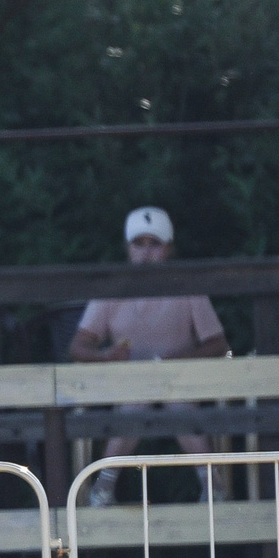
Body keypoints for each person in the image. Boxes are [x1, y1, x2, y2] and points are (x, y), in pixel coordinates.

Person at [69, 206, 231, 507]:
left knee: (177, 401)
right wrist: (107, 356)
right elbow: (78, 346)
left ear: (168, 249)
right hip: (128, 384)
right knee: (136, 398)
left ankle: (211, 484)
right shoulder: (111, 289)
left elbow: (217, 343)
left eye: (154, 244)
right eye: (138, 244)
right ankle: (104, 486)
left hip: (180, 382)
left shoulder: (187, 287)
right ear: (127, 248)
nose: (146, 253)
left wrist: (176, 362)